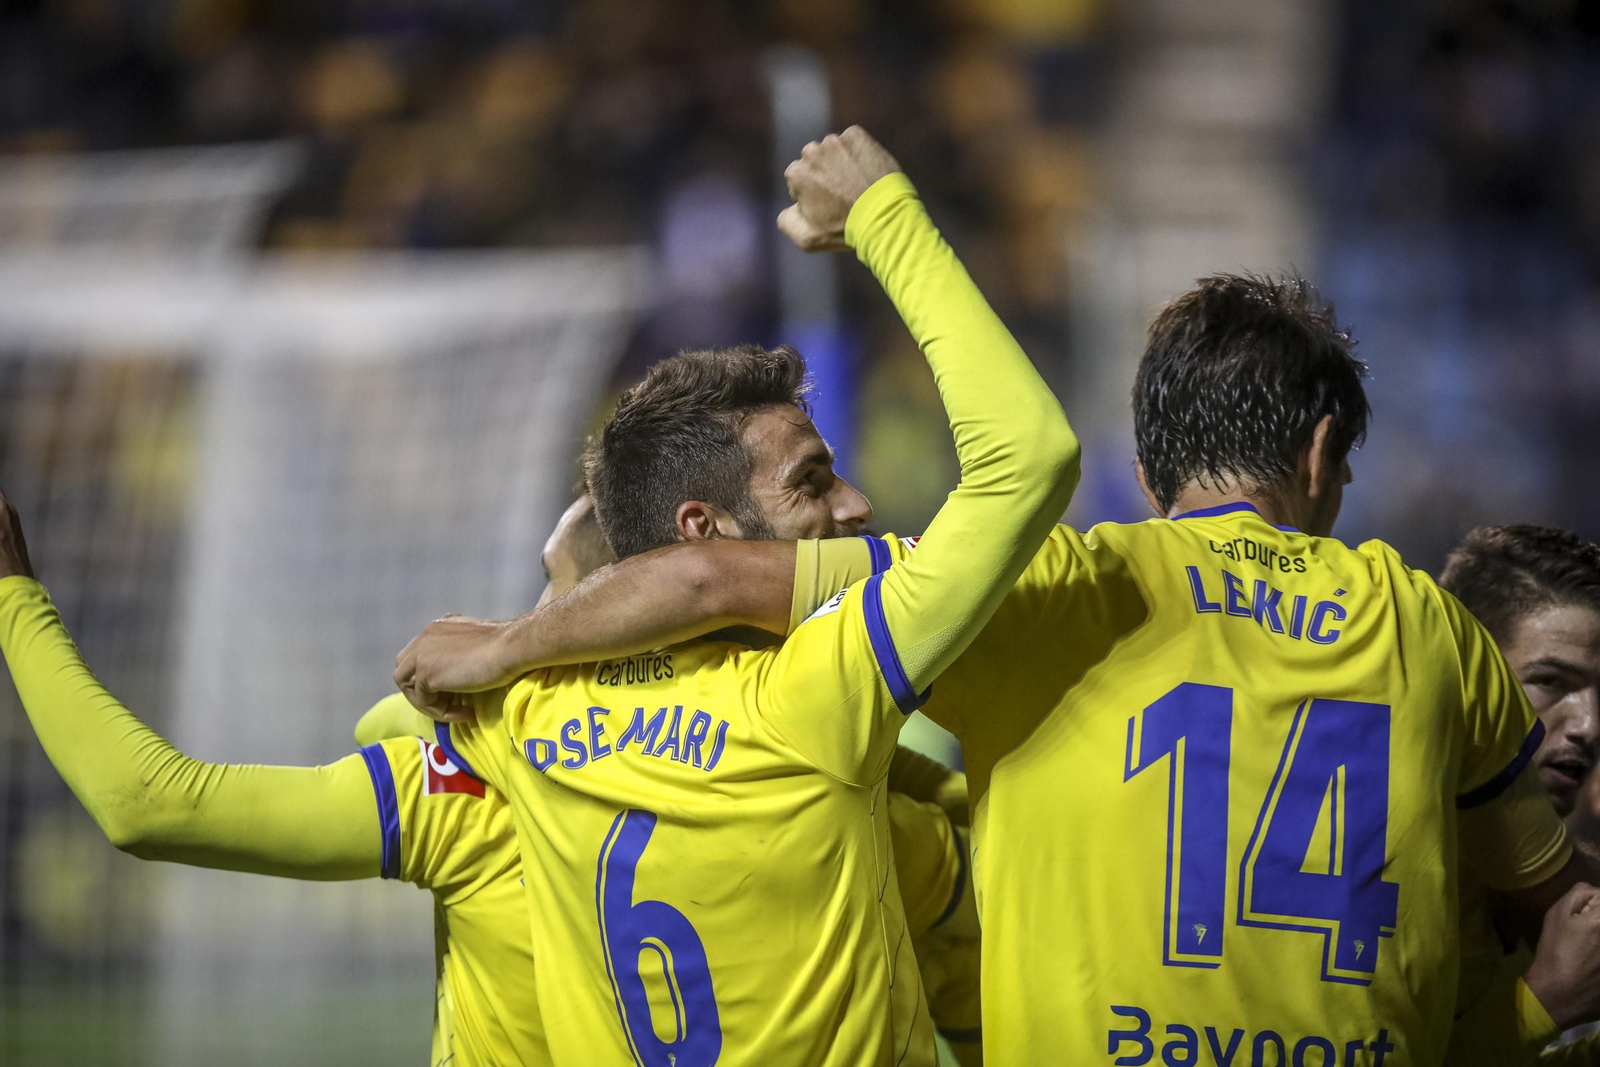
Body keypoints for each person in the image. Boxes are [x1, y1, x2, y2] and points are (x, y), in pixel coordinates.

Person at [404, 273, 1590, 1064]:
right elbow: (1526, 928)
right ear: (1324, 451)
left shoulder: (1043, 594)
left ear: (1146, 455)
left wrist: (521, 637)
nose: (852, 502)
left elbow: (710, 583)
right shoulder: (1425, 626)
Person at [421, 124, 1078, 1066]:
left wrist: (537, 617)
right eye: (811, 482)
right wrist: (887, 220)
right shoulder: (819, 689)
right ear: (704, 526)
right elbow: (1027, 461)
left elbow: (170, 804)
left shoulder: (519, 707)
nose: (854, 503)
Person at [0, 484, 986, 1066]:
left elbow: (146, 801)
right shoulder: (867, 800)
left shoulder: (473, 781)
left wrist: (13, 598)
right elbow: (976, 1013)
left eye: (558, 591)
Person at [1438, 524, 1600, 1064]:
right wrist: (1543, 1005)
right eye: (1552, 681)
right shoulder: (1384, 865)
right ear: (1467, 678)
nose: (1589, 725)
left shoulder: (1562, 888)